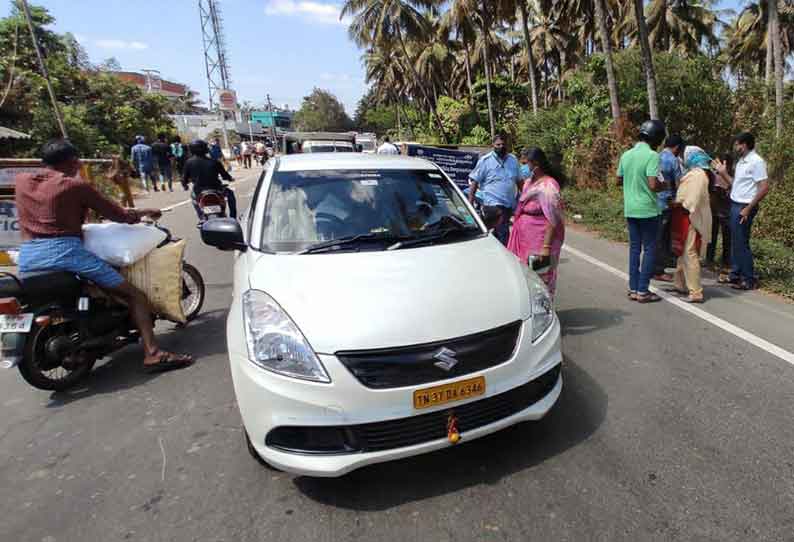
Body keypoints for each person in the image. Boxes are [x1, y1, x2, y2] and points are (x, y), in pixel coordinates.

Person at [15, 140, 193, 372]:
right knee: (135, 295)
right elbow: (118, 215)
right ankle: (153, 353)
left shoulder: (21, 181)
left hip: (28, 255)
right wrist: (144, 212)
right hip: (65, 252)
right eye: (76, 162)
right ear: (72, 162)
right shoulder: (73, 185)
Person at [617, 120, 671, 303]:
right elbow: (653, 184)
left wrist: (632, 183)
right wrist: (665, 185)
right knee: (649, 249)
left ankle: (633, 289)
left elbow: (618, 179)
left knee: (634, 249)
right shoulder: (652, 156)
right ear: (656, 138)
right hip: (648, 210)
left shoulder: (626, 155)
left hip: (630, 209)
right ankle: (643, 291)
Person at [712, 132, 770, 291]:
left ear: (744, 145)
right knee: (736, 241)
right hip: (735, 203)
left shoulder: (756, 162)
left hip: (744, 206)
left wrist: (748, 209)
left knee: (741, 242)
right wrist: (723, 173)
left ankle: (748, 279)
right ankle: (735, 275)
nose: (735, 147)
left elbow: (764, 188)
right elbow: (734, 185)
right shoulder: (741, 162)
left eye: (737, 144)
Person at [507, 148, 565, 298]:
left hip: (540, 240)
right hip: (523, 238)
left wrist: (546, 247)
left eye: (526, 164)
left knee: (540, 280)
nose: (524, 167)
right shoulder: (528, 183)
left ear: (536, 164)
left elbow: (553, 219)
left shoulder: (549, 186)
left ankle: (544, 316)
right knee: (523, 278)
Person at [668, 146, 713, 303]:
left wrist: (680, 205)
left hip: (692, 216)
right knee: (683, 251)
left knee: (690, 253)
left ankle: (696, 292)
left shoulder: (698, 175)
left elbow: (692, 199)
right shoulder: (695, 174)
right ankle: (679, 283)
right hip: (686, 214)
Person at [468, 133, 522, 246]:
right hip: (492, 205)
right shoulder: (485, 161)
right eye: (498, 144)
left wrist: (525, 198)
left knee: (497, 234)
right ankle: (504, 258)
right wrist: (470, 203)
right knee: (504, 234)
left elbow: (520, 181)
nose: (501, 146)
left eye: (503, 144)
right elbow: (474, 182)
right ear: (493, 145)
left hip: (508, 205)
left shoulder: (513, 160)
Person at [653, 135, 685, 282]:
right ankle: (658, 270)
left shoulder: (657, 156)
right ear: (677, 147)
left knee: (656, 236)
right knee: (662, 237)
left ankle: (657, 266)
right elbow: (679, 184)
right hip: (667, 204)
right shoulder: (673, 160)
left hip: (654, 202)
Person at [182, 139, 237, 221]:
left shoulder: (188, 162)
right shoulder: (214, 162)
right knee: (231, 194)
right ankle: (233, 218)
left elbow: (184, 179)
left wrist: (185, 186)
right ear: (205, 149)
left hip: (199, 191)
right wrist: (230, 179)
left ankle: (201, 218)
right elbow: (225, 175)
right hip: (217, 190)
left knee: (194, 200)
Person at [705, 153, 733, 281]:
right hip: (714, 210)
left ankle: (726, 264)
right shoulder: (713, 176)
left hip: (727, 212)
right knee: (712, 236)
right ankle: (709, 260)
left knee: (727, 240)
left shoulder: (731, 177)